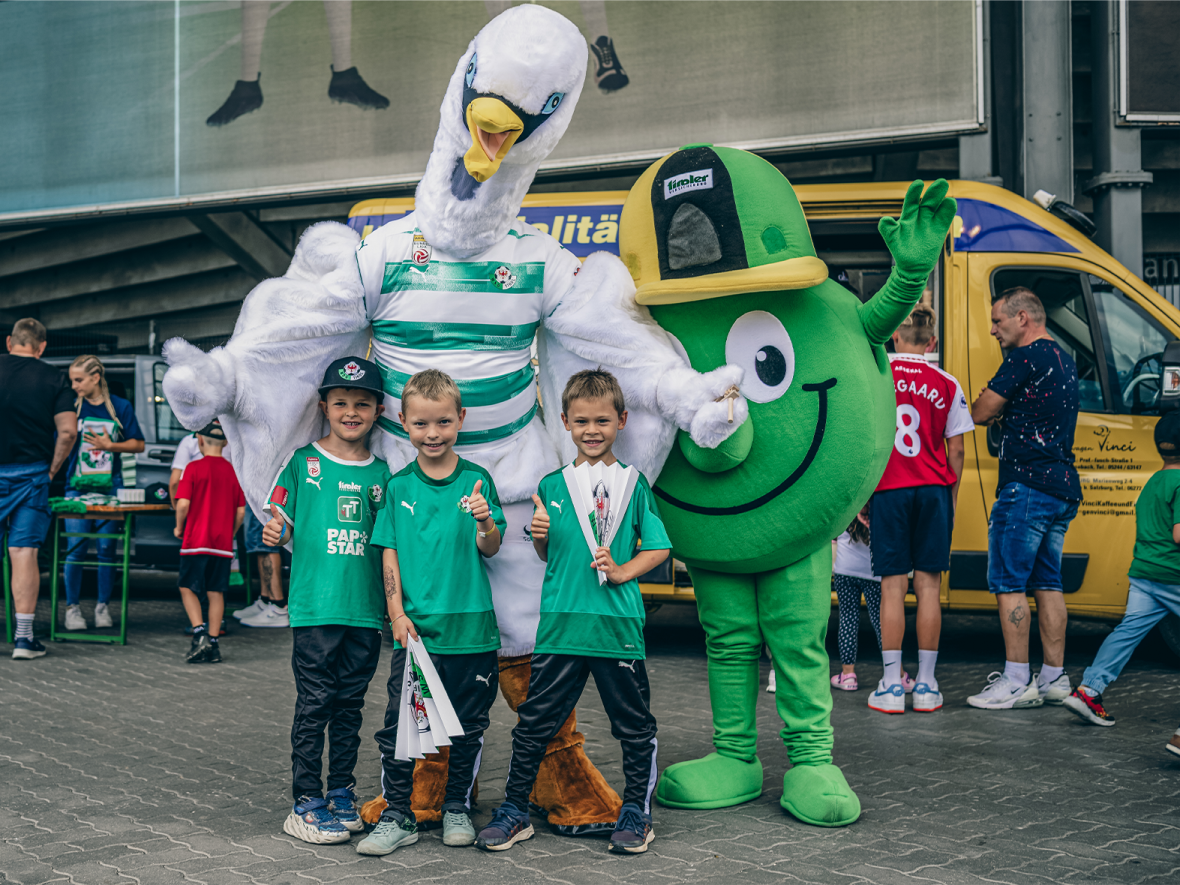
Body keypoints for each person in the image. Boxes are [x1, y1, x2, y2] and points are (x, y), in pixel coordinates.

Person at [476, 369, 671, 855]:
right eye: (581, 420)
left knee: (633, 725)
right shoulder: (552, 485)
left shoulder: (634, 483)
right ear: (564, 421)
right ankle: (515, 810)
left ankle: (636, 813)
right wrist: (540, 538)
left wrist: (625, 571)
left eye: (602, 420)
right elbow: (550, 557)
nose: (591, 430)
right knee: (535, 725)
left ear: (621, 421)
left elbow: (661, 547)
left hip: (615, 628)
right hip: (560, 628)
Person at [356, 369, 504, 856]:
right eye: (421, 424)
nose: (433, 433)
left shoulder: (478, 481)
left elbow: (492, 546)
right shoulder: (398, 489)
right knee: (402, 725)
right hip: (416, 634)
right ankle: (397, 814)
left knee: (467, 726)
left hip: (472, 631)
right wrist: (396, 614)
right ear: (403, 422)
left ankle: (457, 807)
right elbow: (388, 554)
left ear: (461, 418)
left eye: (443, 422)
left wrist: (484, 520)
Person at [263, 357, 391, 846]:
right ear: (325, 407)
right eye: (341, 403)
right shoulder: (303, 463)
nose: (351, 411)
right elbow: (281, 521)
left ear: (378, 410)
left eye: (362, 403)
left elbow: (389, 545)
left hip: (364, 611)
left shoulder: (383, 474)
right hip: (317, 608)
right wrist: (277, 528)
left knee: (350, 706)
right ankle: (304, 802)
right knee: (315, 703)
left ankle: (340, 791)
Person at [968, 287, 1081, 710]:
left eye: (998, 321)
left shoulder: (1023, 359)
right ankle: (1054, 677)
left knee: (1009, 582)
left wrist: (993, 405)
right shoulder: (1064, 361)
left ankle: (1016, 680)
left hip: (1026, 486)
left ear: (1023, 318)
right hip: (1061, 486)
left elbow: (979, 411)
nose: (993, 329)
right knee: (1048, 582)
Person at [867, 305, 972, 714]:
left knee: (892, 586)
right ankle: (926, 686)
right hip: (932, 490)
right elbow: (958, 448)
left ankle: (892, 686)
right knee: (929, 586)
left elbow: (866, 441)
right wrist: (952, 496)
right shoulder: (946, 381)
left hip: (890, 489)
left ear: (894, 337)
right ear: (932, 343)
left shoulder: (878, 380)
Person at [1064, 411, 1180, 745]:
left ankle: (1089, 690)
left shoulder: (1153, 482)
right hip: (1173, 576)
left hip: (1144, 575)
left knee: (1127, 632)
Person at [1, 319, 77, 660]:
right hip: (31, 476)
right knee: (23, 553)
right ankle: (23, 639)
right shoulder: (54, 377)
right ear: (41, 347)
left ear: (9, 342)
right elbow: (68, 432)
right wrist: (52, 468)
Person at [61, 355, 146, 632]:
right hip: (77, 486)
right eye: (72, 380)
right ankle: (72, 608)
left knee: (107, 550)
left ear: (95, 378)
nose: (74, 385)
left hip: (111, 486)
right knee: (75, 548)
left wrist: (110, 446)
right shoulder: (70, 407)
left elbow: (138, 444)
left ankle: (102, 607)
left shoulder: (120, 407)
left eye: (79, 380)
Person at [174, 420, 246, 664]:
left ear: (200, 440)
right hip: (222, 544)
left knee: (187, 587)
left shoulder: (193, 468)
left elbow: (183, 503)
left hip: (196, 541)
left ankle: (199, 633)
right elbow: (240, 512)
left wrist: (179, 527)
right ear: (225, 443)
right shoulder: (233, 470)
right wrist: (231, 532)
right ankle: (213, 644)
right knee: (217, 592)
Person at [830, 507, 883, 692]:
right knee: (881, 622)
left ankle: (848, 675)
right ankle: (894, 673)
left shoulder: (849, 503)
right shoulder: (877, 505)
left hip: (845, 571)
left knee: (848, 620)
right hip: (874, 573)